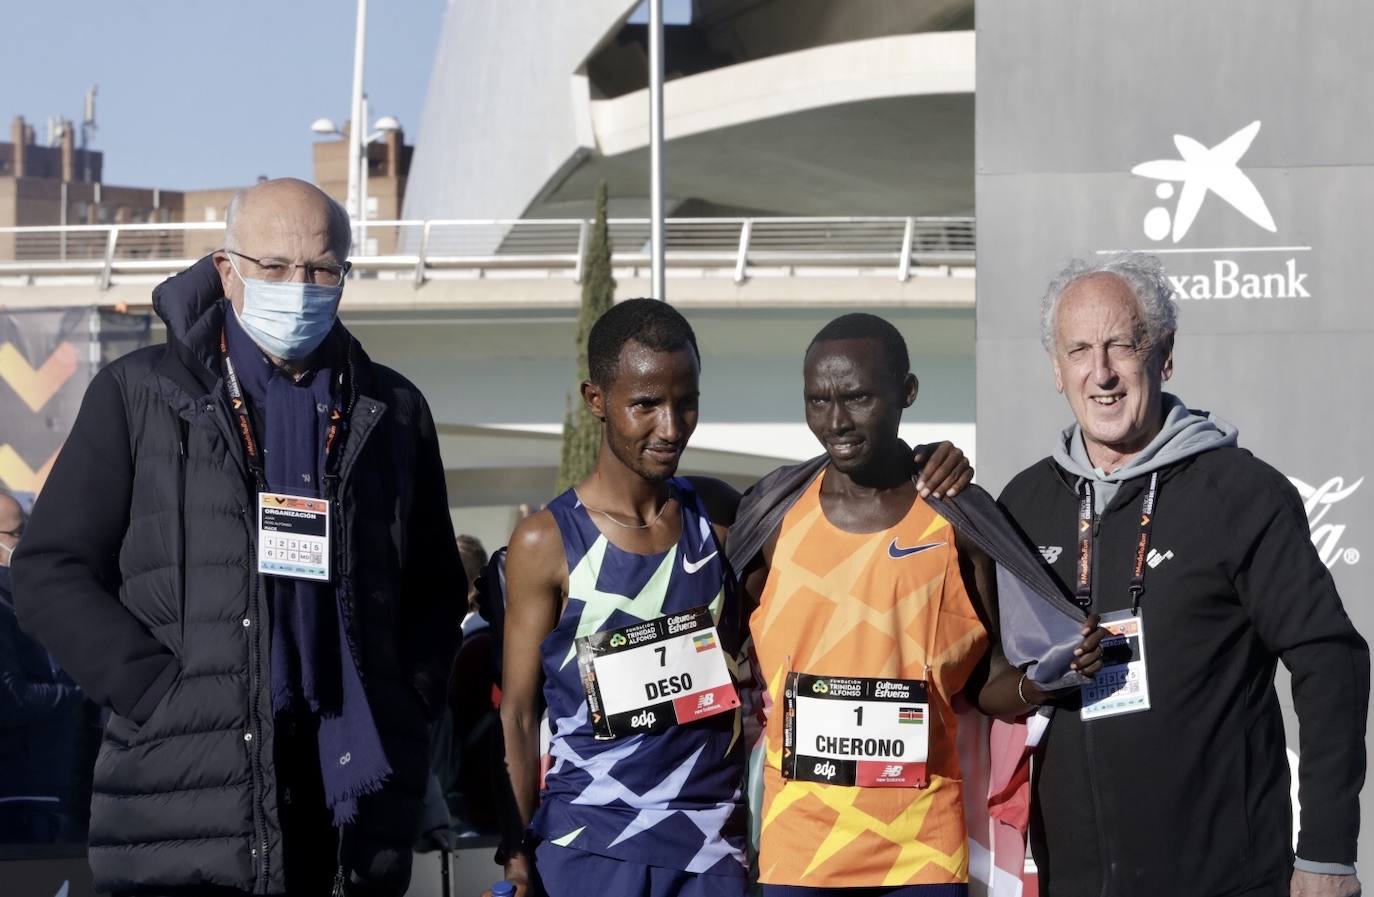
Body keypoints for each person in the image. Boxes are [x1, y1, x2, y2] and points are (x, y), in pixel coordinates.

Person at [12, 178, 465, 896]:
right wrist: (156, 688)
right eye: (275, 267)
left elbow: (436, 588)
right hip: (187, 797)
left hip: (347, 802)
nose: (300, 286)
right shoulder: (140, 395)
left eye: (321, 269)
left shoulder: (391, 410)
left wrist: (405, 699)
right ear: (227, 270)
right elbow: (49, 571)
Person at [498, 300, 977, 897]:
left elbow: (841, 496)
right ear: (596, 400)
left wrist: (923, 459)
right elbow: (518, 713)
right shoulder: (545, 541)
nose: (671, 427)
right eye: (646, 405)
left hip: (711, 846)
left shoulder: (723, 516)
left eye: (686, 402)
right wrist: (515, 851)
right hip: (589, 842)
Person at [998, 254, 1368, 897]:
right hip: (1073, 881)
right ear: (1057, 371)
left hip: (1224, 878)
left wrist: (1328, 854)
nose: (1102, 373)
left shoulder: (1240, 492)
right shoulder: (1024, 505)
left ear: (1164, 355)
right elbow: (985, 676)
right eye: (1079, 350)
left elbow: (1330, 660)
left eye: (1122, 344)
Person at [725, 313, 1105, 896]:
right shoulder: (772, 519)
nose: (836, 421)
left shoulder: (960, 518)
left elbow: (991, 683)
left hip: (920, 857)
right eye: (817, 401)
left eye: (857, 398)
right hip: (794, 852)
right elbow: (719, 643)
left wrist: (1048, 682)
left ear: (907, 392)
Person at [0, 491, 86, 845]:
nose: (27, 542)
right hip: (18, 800)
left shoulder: (21, 599)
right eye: (18, 534)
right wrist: (81, 692)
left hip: (47, 792)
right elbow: (9, 698)